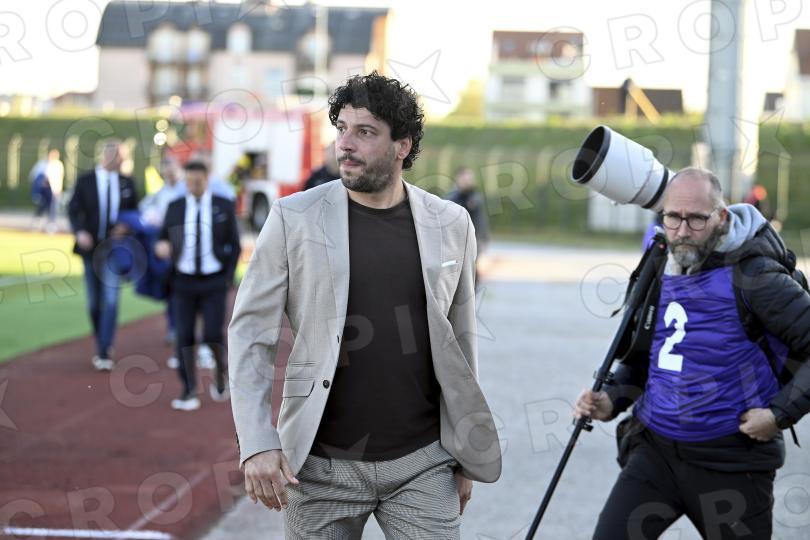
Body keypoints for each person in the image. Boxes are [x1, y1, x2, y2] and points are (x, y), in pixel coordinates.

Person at [228, 72, 502, 539]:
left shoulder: (452, 223)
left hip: (423, 461)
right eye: (341, 129)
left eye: (365, 132)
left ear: (402, 146)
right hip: (318, 465)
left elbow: (460, 343)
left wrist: (463, 451)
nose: (345, 144)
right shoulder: (293, 218)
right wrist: (256, 441)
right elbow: (251, 335)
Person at [574, 167, 810, 539]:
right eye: (673, 217)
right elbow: (645, 357)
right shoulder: (660, 266)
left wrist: (778, 414)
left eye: (696, 219)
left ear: (722, 216)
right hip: (655, 454)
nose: (683, 230)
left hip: (731, 463)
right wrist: (611, 399)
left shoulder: (756, 277)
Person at [156, 160, 241, 411]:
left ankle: (220, 372)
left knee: (213, 334)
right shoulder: (175, 207)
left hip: (214, 280)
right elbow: (162, 237)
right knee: (184, 336)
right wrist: (161, 246)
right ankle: (189, 388)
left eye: (198, 181)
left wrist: (227, 277)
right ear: (185, 181)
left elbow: (235, 244)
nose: (193, 185)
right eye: (189, 181)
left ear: (206, 179)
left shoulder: (223, 205)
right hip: (182, 281)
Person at [68, 140, 139, 371]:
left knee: (110, 299)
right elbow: (73, 209)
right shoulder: (85, 181)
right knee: (93, 302)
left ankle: (104, 349)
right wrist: (80, 232)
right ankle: (101, 338)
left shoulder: (127, 182)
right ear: (107, 155)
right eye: (118, 155)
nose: (121, 160)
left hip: (114, 250)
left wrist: (126, 227)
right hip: (90, 249)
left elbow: (135, 213)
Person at [446, 166, 489, 283]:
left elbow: (480, 220)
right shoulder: (452, 197)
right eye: (465, 179)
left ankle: (472, 290)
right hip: (458, 239)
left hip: (475, 238)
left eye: (470, 179)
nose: (468, 182)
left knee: (472, 268)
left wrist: (484, 238)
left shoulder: (475, 196)